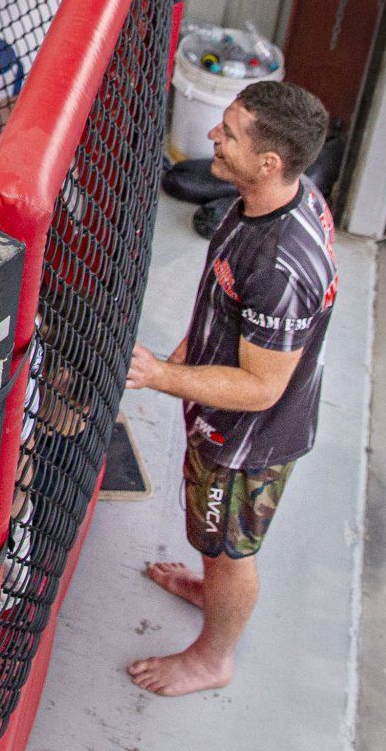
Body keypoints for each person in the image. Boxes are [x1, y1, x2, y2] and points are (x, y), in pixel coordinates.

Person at [124, 80, 335, 696]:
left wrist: (159, 375)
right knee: (215, 543)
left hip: (246, 443)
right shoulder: (275, 196)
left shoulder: (280, 267)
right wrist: (193, 346)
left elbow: (262, 387)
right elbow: (232, 304)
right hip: (226, 420)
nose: (214, 136)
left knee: (230, 553)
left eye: (230, 134)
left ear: (268, 162)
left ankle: (213, 659)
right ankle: (209, 583)